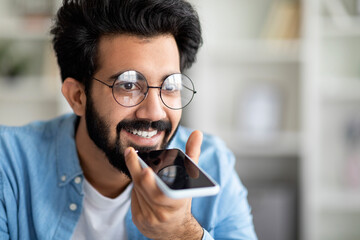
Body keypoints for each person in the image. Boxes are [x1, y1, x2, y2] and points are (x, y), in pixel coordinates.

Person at [0, 0, 257, 239]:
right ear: (78, 96)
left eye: (171, 85)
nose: (155, 113)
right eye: (128, 85)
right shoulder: (9, 164)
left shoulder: (213, 167)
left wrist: (183, 233)